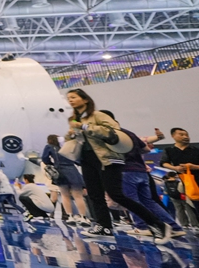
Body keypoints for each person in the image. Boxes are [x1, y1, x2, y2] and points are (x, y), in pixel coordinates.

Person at [64, 90, 171, 242]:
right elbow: (73, 139)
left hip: (107, 158)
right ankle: (104, 226)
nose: (70, 100)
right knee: (95, 195)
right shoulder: (74, 119)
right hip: (86, 159)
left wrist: (84, 126)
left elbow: (113, 132)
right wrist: (71, 134)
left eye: (74, 97)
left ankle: (157, 224)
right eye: (68, 98)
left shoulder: (98, 115)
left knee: (116, 195)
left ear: (85, 99)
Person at [113, 121, 177, 236]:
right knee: (150, 201)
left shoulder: (110, 136)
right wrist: (158, 137)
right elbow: (146, 147)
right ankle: (173, 226)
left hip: (127, 170)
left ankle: (142, 226)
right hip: (143, 171)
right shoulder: (130, 134)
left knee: (133, 201)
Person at [42, 134, 87, 223]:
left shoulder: (49, 147)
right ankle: (83, 217)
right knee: (78, 196)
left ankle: (69, 216)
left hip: (60, 172)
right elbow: (77, 159)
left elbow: (44, 158)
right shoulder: (67, 146)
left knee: (65, 195)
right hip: (72, 170)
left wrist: (52, 164)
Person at [161, 127, 199, 230]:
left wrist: (194, 167)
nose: (185, 137)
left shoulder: (195, 150)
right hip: (187, 181)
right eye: (181, 135)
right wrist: (175, 168)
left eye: (186, 135)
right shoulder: (169, 150)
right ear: (173, 136)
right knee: (194, 204)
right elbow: (164, 163)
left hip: (196, 177)